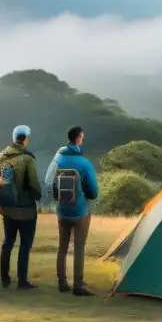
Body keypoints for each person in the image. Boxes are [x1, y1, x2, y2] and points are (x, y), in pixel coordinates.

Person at [47, 125, 100, 296]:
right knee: (78, 247)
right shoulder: (84, 163)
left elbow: (49, 182)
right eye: (82, 137)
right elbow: (93, 192)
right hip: (80, 212)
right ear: (77, 138)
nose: (83, 140)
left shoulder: (57, 160)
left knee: (62, 247)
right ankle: (78, 285)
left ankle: (62, 282)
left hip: (62, 211)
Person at [0, 124, 41, 289]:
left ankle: (5, 278)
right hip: (26, 210)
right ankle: (22, 281)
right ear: (25, 139)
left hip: (7, 208)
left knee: (8, 242)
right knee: (25, 244)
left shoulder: (0, 157)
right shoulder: (28, 158)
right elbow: (34, 184)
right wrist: (37, 196)